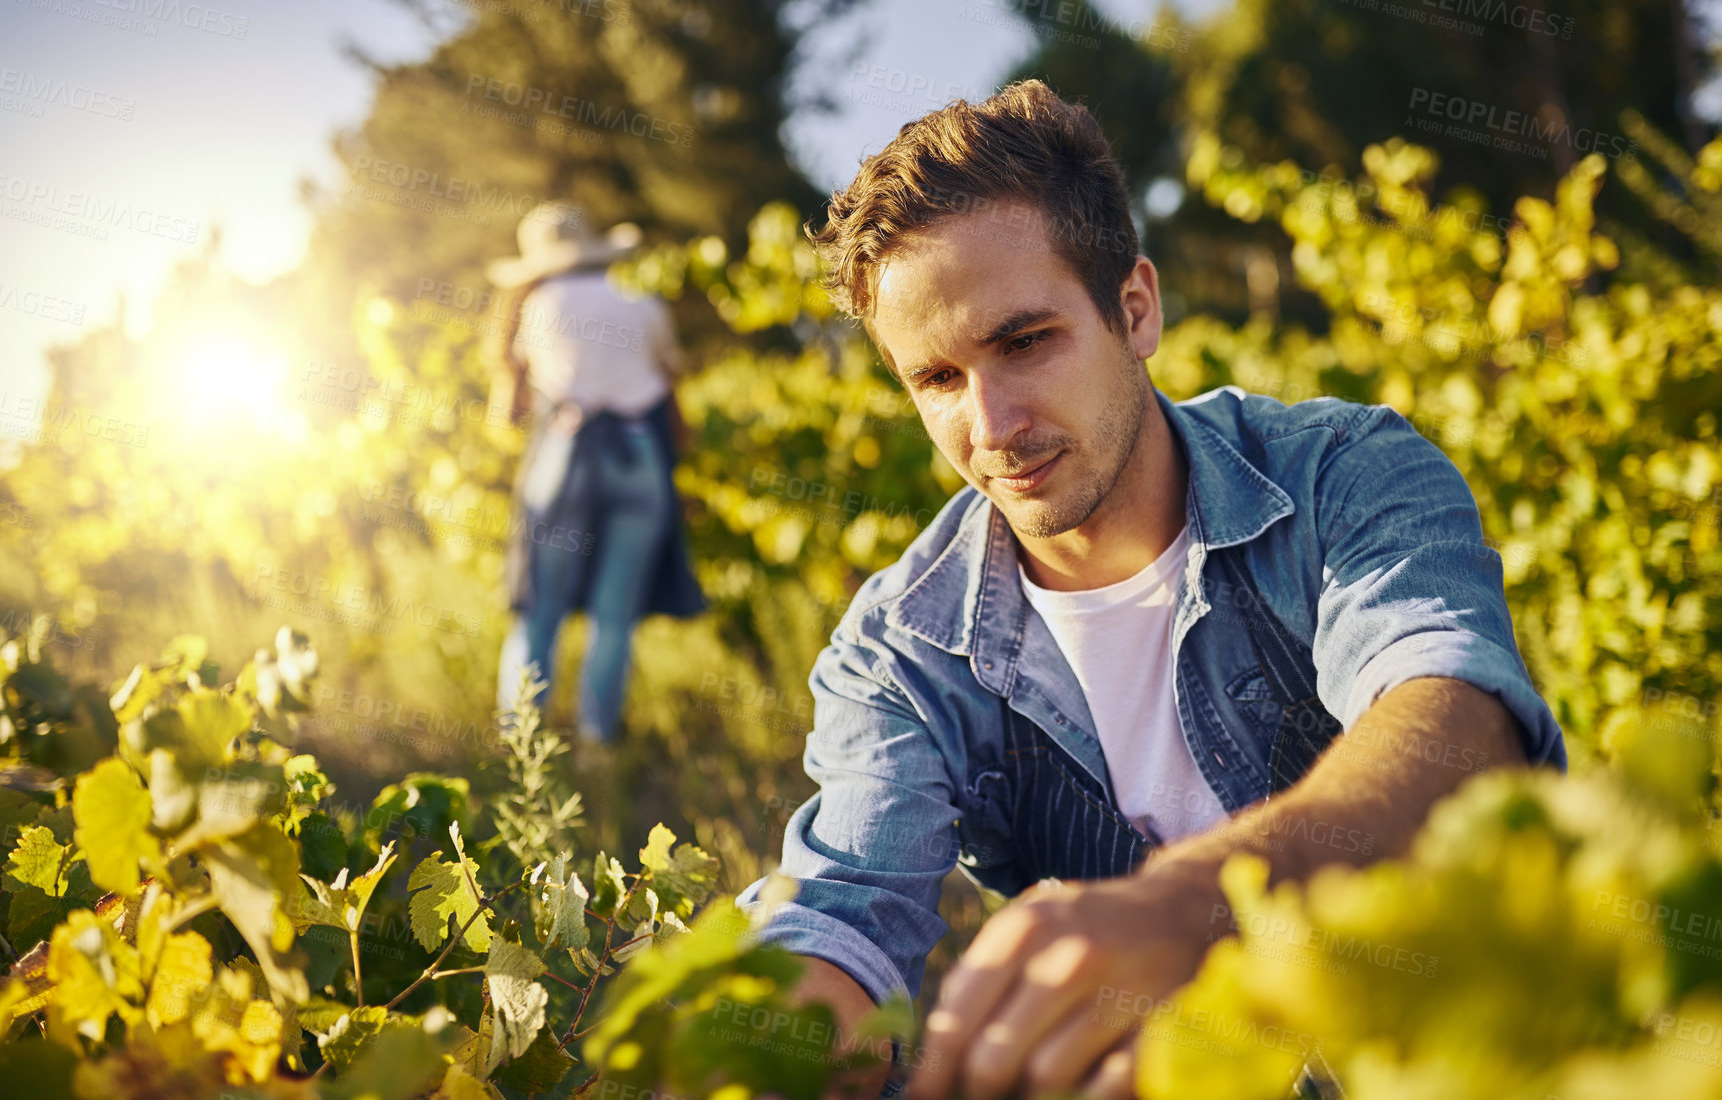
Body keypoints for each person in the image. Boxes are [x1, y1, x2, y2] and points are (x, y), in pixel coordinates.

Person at [733, 80, 1566, 1099]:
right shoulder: (902, 645)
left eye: (1024, 342)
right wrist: (759, 1049)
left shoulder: (1343, 473)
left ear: (1135, 309)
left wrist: (1193, 904)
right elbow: (847, 907)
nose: (990, 426)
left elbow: (1455, 723)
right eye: (938, 380)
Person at [486, 201, 705, 748]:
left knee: (541, 609)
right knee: (615, 617)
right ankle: (596, 746)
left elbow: (507, 413)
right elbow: (676, 414)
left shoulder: (536, 303)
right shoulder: (643, 301)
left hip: (566, 454)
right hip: (639, 458)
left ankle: (522, 747)